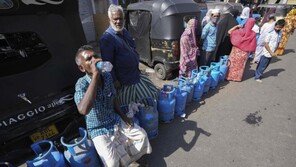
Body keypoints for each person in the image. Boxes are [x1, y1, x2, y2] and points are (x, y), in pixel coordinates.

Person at [74, 45, 152, 167]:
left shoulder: (107, 76)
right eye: (89, 59)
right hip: (97, 129)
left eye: (96, 56)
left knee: (141, 135)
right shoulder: (81, 84)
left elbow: (113, 98)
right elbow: (83, 110)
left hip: (114, 119)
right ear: (82, 68)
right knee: (111, 163)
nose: (95, 60)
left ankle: (132, 161)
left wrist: (123, 116)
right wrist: (95, 75)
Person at [99, 4, 158, 106]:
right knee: (135, 105)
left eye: (120, 18)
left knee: (152, 96)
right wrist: (114, 81)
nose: (118, 21)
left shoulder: (124, 31)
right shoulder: (107, 38)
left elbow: (132, 47)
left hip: (135, 75)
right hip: (124, 81)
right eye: (115, 19)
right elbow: (107, 64)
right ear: (110, 20)